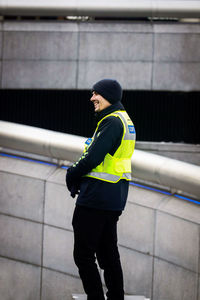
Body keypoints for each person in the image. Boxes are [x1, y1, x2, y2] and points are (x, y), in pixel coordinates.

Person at [66, 79, 136, 300]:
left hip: (97, 197)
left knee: (83, 255)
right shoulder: (124, 120)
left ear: (109, 96)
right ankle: (116, 297)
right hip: (113, 196)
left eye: (97, 94)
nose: (92, 98)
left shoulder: (112, 121)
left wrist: (72, 173)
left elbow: (93, 158)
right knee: (108, 254)